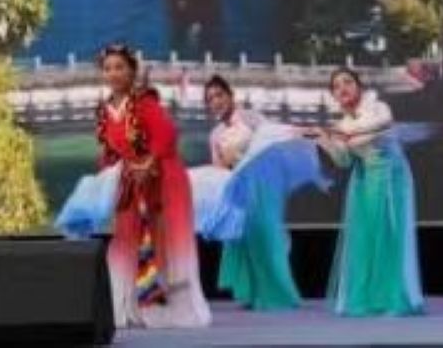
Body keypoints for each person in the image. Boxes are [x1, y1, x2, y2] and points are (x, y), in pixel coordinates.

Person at [93, 44, 209, 329]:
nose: (113, 73)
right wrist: (105, 173)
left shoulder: (144, 102)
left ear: (132, 71)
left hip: (163, 178)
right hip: (131, 184)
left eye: (119, 67)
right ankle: (127, 307)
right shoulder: (106, 111)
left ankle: (172, 309)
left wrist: (148, 162)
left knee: (165, 240)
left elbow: (166, 134)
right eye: (108, 68)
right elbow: (110, 152)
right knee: (125, 242)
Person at [192, 75, 322, 312]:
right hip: (239, 189)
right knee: (245, 241)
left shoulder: (250, 118)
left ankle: (278, 295)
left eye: (219, 95)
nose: (216, 101)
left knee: (266, 239)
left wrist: (301, 133)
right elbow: (219, 169)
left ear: (230, 96)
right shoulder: (215, 134)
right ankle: (253, 293)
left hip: (261, 187)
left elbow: (272, 138)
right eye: (210, 99)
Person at [310, 68, 423, 318]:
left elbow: (385, 123)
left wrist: (350, 133)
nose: (343, 88)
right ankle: (370, 297)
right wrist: (324, 141)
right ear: (333, 95)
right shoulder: (341, 125)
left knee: (388, 233)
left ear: (358, 86)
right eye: (336, 86)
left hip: (391, 175)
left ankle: (393, 297)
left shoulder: (377, 107)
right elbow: (344, 161)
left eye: (348, 82)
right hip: (363, 180)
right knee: (365, 236)